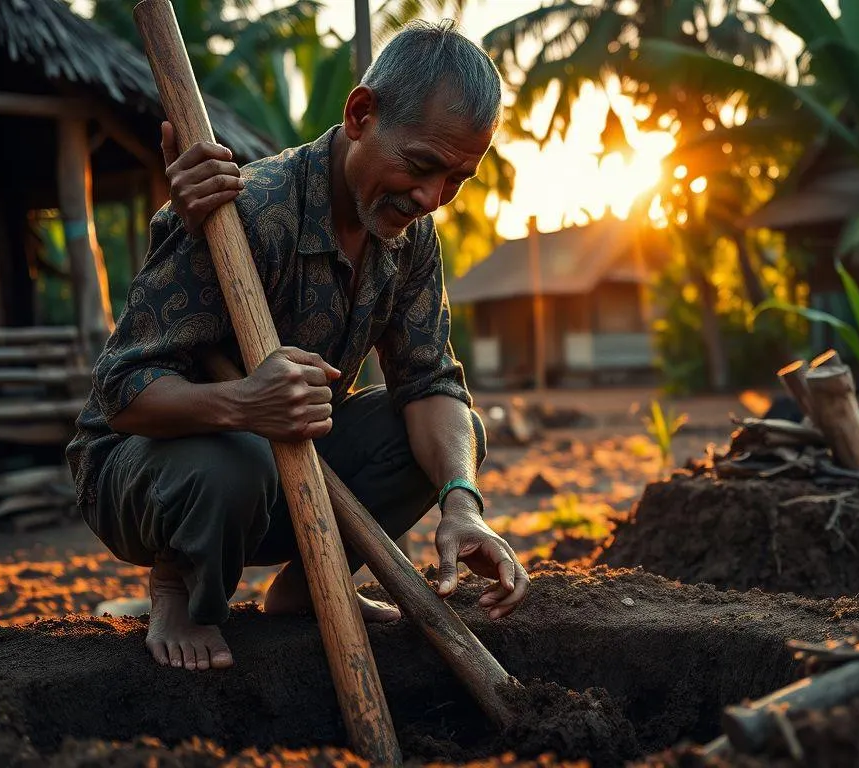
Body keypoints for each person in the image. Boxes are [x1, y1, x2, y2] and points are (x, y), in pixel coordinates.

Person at [65, 20, 529, 672]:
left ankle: (311, 586)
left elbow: (431, 383)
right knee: (238, 462)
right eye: (422, 165)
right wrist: (244, 405)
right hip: (146, 473)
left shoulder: (412, 238)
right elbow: (121, 396)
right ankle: (181, 586)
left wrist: (463, 502)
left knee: (452, 431)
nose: (432, 198)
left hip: (287, 465)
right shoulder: (244, 211)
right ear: (362, 114)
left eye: (458, 179)